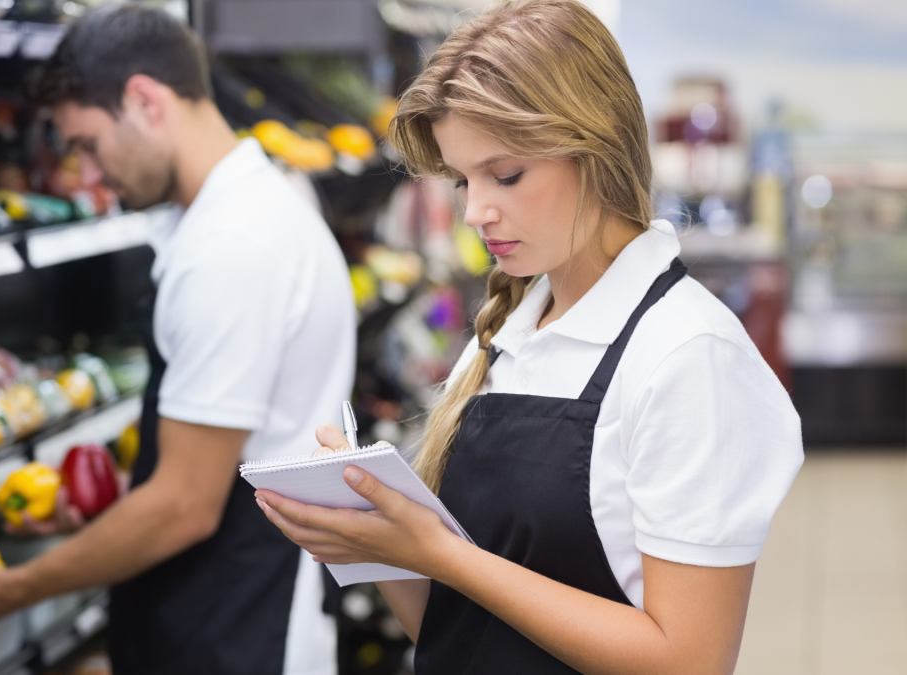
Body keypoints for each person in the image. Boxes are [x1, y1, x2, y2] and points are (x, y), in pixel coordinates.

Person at [255, 1, 804, 673]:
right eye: (463, 180)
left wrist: (446, 554)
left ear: (595, 141)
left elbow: (687, 659)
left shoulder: (687, 354)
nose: (474, 212)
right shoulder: (504, 336)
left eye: (505, 174)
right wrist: (375, 540)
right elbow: (450, 627)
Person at [0, 6, 354, 675]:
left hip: (239, 627)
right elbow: (235, 454)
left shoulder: (232, 249)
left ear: (144, 100)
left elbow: (185, 506)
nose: (87, 173)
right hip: (231, 606)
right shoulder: (256, 210)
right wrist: (107, 508)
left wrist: (8, 592)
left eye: (86, 144)